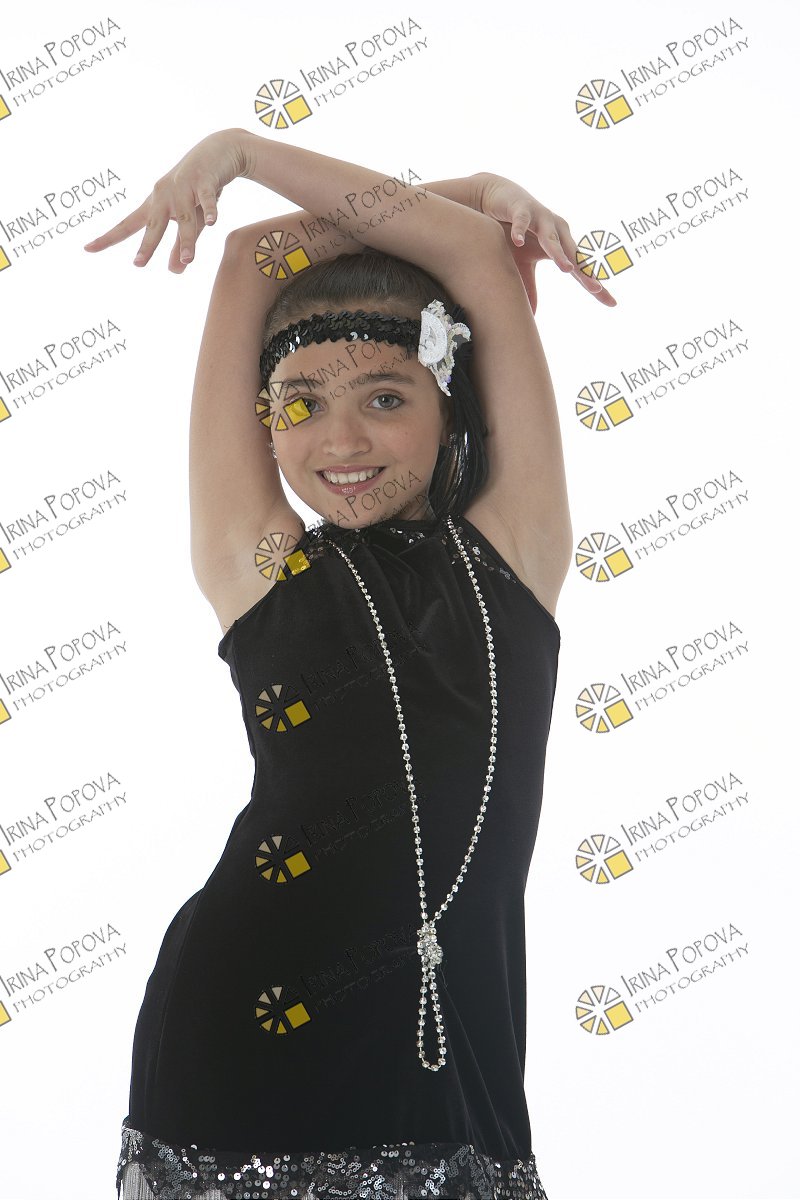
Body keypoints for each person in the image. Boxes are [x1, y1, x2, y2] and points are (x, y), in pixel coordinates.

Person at [84, 127, 615, 1200]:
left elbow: (472, 257)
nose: (341, 442)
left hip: (455, 1055)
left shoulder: (512, 554)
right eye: (299, 405)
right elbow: (252, 260)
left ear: (447, 402)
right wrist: (236, 150)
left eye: (384, 396)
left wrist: (473, 198)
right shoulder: (259, 566)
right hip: (240, 1035)